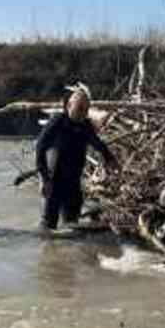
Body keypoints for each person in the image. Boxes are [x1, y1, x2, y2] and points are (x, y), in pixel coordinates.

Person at [34, 88, 118, 230]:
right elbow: (40, 148)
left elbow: (97, 143)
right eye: (79, 109)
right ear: (68, 107)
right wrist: (44, 178)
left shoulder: (85, 125)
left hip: (74, 181)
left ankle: (72, 251)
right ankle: (48, 250)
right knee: (48, 227)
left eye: (86, 109)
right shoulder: (58, 122)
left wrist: (110, 159)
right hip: (54, 181)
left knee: (72, 226)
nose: (83, 113)